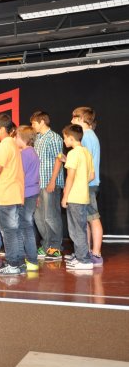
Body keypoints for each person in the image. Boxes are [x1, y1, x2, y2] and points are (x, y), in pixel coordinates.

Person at [0, 114, 25, 276]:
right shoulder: (13, 144)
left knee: (8, 231)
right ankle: (18, 263)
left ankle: (12, 264)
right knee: (14, 231)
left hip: (5, 195)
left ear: (2, 129)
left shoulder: (3, 146)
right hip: (13, 193)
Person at [30, 111, 65, 261]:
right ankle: (46, 245)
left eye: (34, 123)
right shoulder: (37, 138)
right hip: (38, 183)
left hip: (50, 183)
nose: (32, 126)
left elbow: (59, 159)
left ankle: (56, 247)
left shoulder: (54, 137)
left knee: (51, 216)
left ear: (42, 122)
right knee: (39, 217)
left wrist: (52, 181)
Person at [71, 107, 103, 266]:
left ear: (81, 119)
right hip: (87, 184)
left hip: (88, 184)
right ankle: (85, 252)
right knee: (86, 219)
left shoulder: (87, 136)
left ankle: (96, 254)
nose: (71, 121)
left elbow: (85, 163)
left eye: (73, 118)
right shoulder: (88, 135)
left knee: (93, 218)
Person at [60, 124, 95, 270]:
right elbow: (92, 175)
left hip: (74, 197)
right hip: (83, 196)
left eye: (65, 138)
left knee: (77, 230)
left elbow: (70, 177)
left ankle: (84, 261)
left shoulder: (74, 154)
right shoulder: (86, 152)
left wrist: (65, 196)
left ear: (71, 138)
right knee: (79, 229)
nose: (64, 141)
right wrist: (81, 183)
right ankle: (81, 257)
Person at [16, 125, 40, 272]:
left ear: (21, 138)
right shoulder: (32, 152)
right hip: (32, 193)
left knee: (24, 227)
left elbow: (20, 176)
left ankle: (30, 259)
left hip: (25, 194)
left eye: (16, 137)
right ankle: (29, 258)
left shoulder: (25, 154)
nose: (15, 139)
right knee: (26, 226)